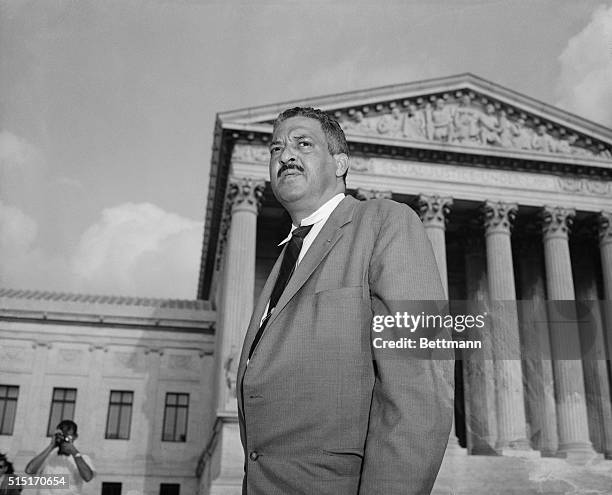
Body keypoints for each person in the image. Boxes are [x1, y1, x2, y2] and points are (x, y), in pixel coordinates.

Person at [237, 107, 453, 494]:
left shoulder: (386, 222)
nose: (285, 155)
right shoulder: (287, 258)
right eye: (275, 148)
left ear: (340, 163)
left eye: (303, 143)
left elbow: (419, 383)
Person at [25, 420, 94, 494]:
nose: (63, 438)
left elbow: (88, 477)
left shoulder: (82, 458)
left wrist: (74, 452)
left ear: (75, 436)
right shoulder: (47, 457)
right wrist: (51, 446)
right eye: (62, 435)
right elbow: (29, 470)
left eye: (67, 435)